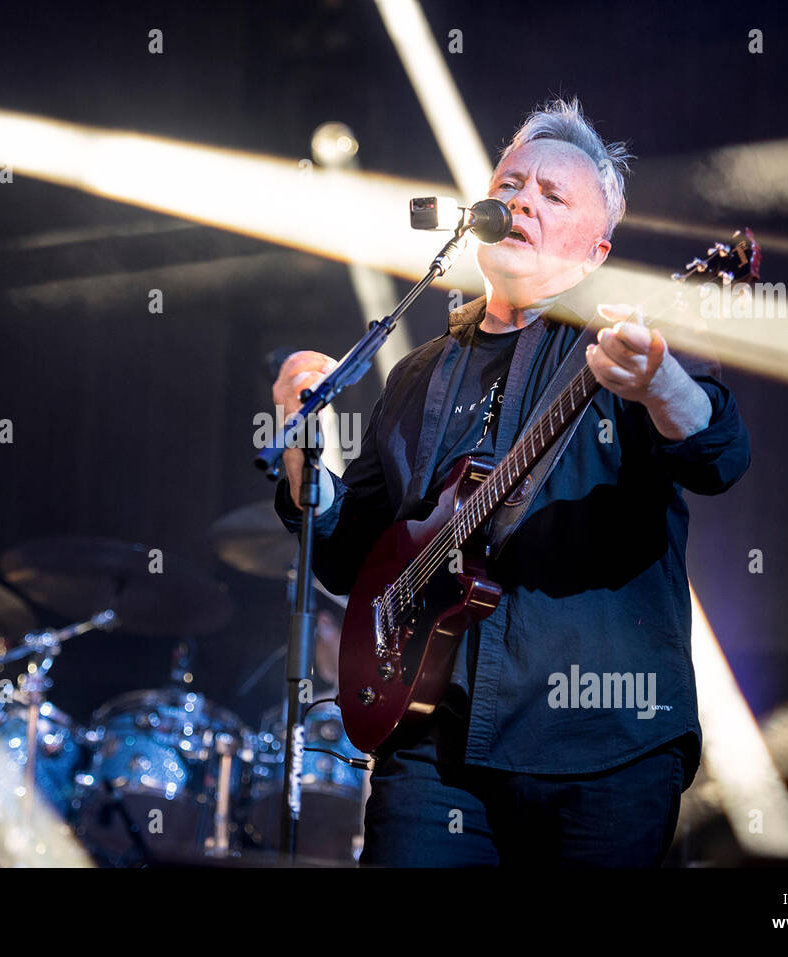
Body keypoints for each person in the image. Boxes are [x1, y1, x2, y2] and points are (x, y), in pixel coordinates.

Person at [271, 98, 750, 866]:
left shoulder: (629, 343)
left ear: (595, 251)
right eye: (512, 184)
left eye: (552, 196)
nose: (523, 199)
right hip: (432, 745)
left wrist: (660, 382)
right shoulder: (418, 373)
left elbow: (719, 455)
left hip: (602, 748)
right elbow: (346, 556)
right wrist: (302, 458)